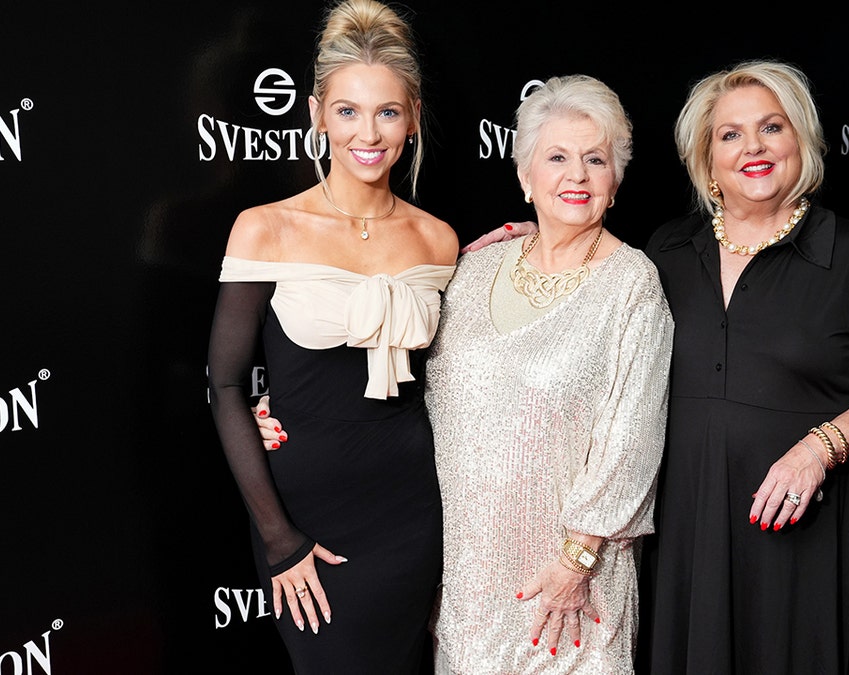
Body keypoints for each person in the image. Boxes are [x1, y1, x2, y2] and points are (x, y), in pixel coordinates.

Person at [463, 59, 849, 675]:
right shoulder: (668, 249)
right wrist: (543, 230)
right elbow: (594, 260)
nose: (753, 148)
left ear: (802, 142)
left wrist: (819, 450)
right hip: (687, 526)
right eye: (730, 134)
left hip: (799, 526)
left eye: (772, 127)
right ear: (707, 160)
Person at [260, 73, 674, 673]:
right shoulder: (474, 268)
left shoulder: (632, 284)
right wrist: (282, 406)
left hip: (566, 587)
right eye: (556, 157)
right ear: (524, 175)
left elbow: (631, 439)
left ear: (616, 181)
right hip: (463, 584)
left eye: (595, 160)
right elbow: (398, 370)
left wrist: (578, 561)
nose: (577, 176)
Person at [206, 0, 457, 672]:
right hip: (306, 520)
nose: (367, 133)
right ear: (318, 114)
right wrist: (278, 538)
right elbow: (225, 385)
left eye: (387, 112)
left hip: (412, 511)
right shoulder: (265, 228)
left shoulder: (438, 240)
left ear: (413, 117)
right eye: (347, 110)